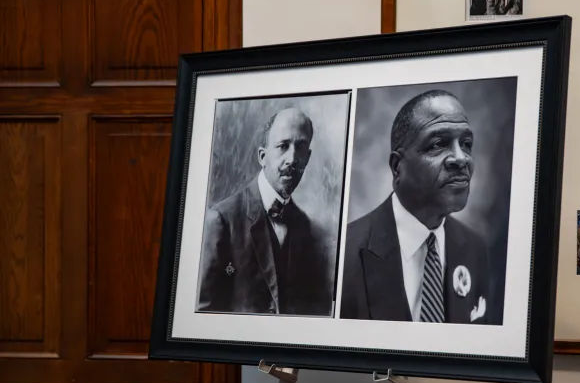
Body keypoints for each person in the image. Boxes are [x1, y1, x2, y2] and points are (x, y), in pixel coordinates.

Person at [341, 90, 493, 324]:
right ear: (397, 167)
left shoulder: (474, 249)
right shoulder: (344, 255)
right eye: (439, 144)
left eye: (466, 144)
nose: (460, 158)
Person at [196, 108, 331, 316]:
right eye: (283, 146)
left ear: (308, 157)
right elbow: (202, 314)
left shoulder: (306, 228)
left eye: (301, 147)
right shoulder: (221, 220)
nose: (292, 159)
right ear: (262, 156)